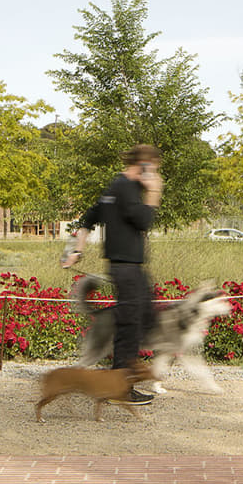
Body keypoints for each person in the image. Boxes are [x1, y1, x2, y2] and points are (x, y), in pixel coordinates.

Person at [62, 143, 163, 406]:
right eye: (152, 168)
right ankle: (120, 388)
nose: (154, 174)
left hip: (130, 268)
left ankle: (121, 376)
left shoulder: (114, 188)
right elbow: (143, 221)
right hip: (125, 267)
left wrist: (77, 251)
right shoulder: (126, 188)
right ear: (142, 165)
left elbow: (88, 218)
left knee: (145, 317)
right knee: (130, 325)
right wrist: (153, 193)